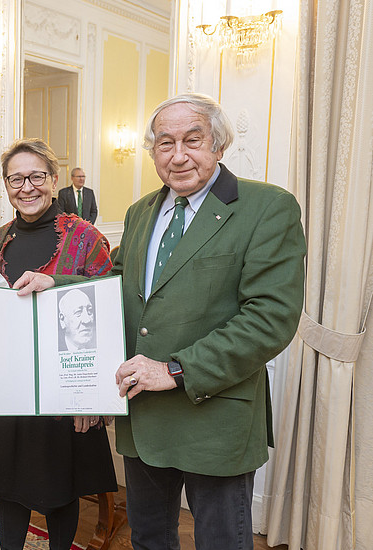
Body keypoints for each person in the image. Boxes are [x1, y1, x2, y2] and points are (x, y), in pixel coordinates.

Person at [111, 93, 306, 550]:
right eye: (164, 143)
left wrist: (176, 369)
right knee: (149, 539)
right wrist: (54, 283)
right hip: (145, 418)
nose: (178, 156)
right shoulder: (141, 212)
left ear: (218, 145)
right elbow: (118, 281)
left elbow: (270, 317)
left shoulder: (267, 207)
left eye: (192, 140)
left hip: (214, 415)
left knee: (222, 541)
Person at [0, 138, 117, 550]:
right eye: (16, 178)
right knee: (7, 488)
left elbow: (105, 313)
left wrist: (91, 398)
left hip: (63, 393)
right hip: (7, 390)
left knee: (60, 492)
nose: (27, 186)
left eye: (36, 176)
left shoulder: (86, 237)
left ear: (54, 181)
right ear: (6, 185)